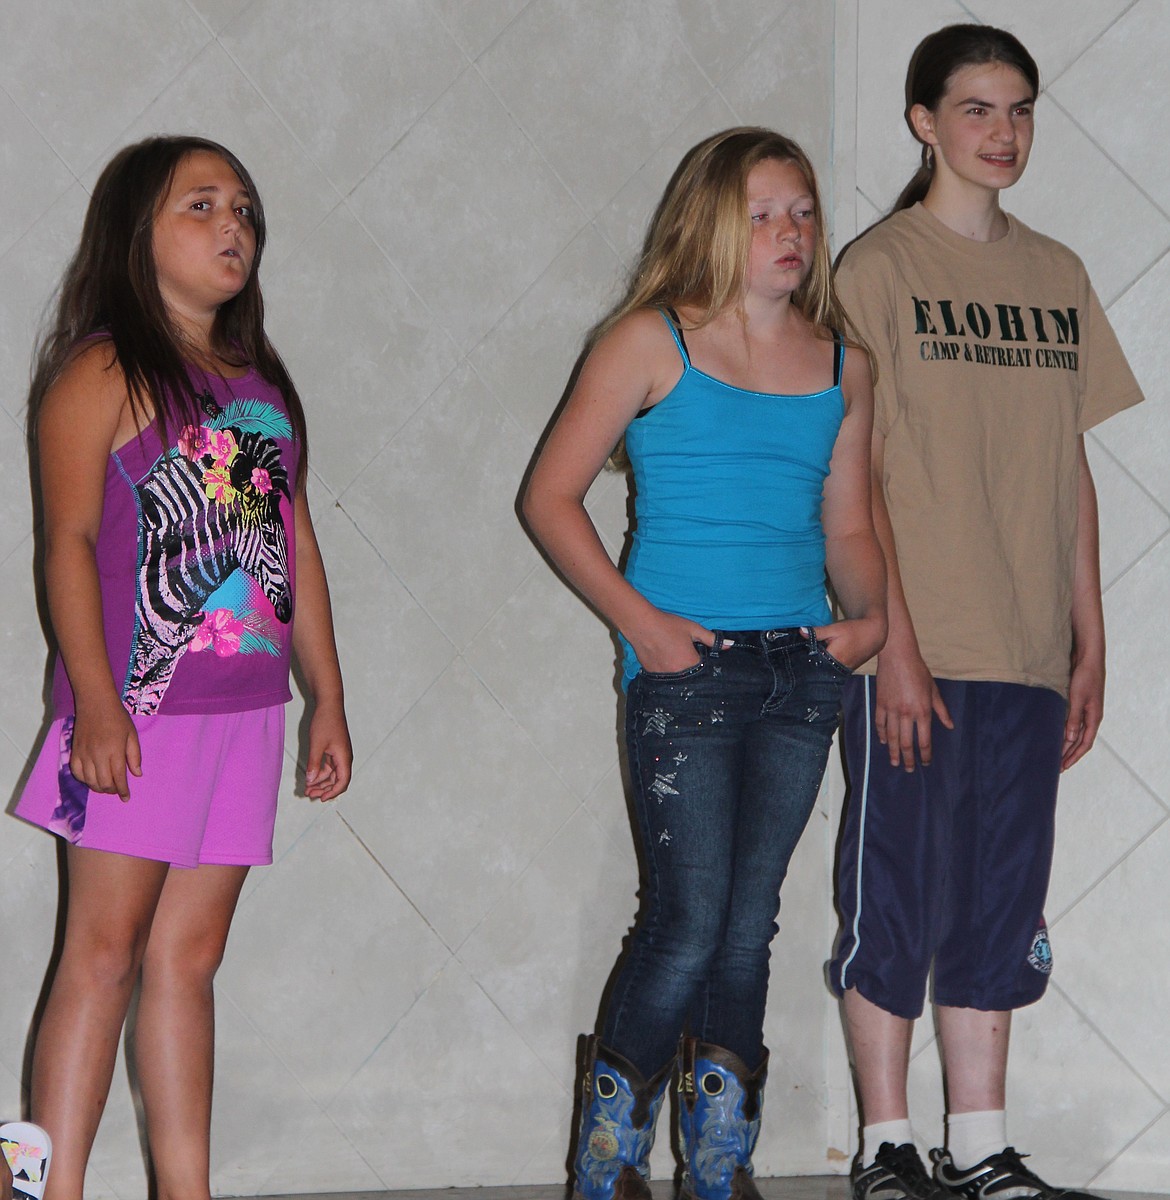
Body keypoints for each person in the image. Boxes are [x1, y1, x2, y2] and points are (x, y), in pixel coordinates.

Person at [524, 127, 887, 1200]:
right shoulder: (649, 341)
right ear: (712, 223)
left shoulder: (842, 364)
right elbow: (549, 498)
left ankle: (718, 1163)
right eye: (764, 213)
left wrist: (867, 623)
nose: (790, 233)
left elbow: (852, 530)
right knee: (686, 919)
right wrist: (642, 627)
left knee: (748, 925)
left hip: (799, 671)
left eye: (803, 212)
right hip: (684, 672)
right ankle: (608, 1162)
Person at [826, 24, 1144, 1200]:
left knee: (1001, 901)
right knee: (893, 897)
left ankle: (979, 1142)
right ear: (924, 123)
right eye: (975, 109)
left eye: (1019, 110)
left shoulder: (1056, 275)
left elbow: (1066, 467)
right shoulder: (876, 270)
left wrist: (1088, 639)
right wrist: (893, 645)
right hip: (912, 647)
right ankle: (885, 1144)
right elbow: (850, 473)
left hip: (1025, 652)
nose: (1001, 133)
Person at [12, 136, 352, 1200]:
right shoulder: (103, 368)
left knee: (187, 963)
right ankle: (40, 1190)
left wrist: (326, 695)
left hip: (239, 712)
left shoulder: (257, 386)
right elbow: (65, 542)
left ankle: (184, 1187)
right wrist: (97, 706)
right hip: (136, 715)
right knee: (100, 958)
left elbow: (289, 545)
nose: (233, 226)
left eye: (244, 208)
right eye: (200, 206)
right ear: (135, 234)